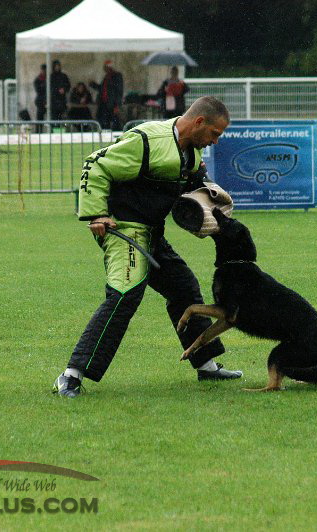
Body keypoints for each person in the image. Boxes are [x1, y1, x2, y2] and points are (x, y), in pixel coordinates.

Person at [53, 96, 243, 398]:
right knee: (124, 294)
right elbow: (96, 165)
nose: (215, 141)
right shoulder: (147, 140)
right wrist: (95, 214)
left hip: (153, 234)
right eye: (214, 134)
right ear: (198, 122)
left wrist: (207, 193)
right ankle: (71, 375)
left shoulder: (191, 155)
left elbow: (191, 185)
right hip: (124, 230)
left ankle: (205, 364)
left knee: (183, 288)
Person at [89, 60, 123, 130]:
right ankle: (105, 133)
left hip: (112, 103)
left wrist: (117, 105)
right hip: (103, 103)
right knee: (103, 120)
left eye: (106, 67)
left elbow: (119, 91)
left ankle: (116, 134)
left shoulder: (116, 76)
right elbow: (102, 89)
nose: (105, 69)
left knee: (114, 120)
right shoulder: (106, 77)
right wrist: (93, 84)